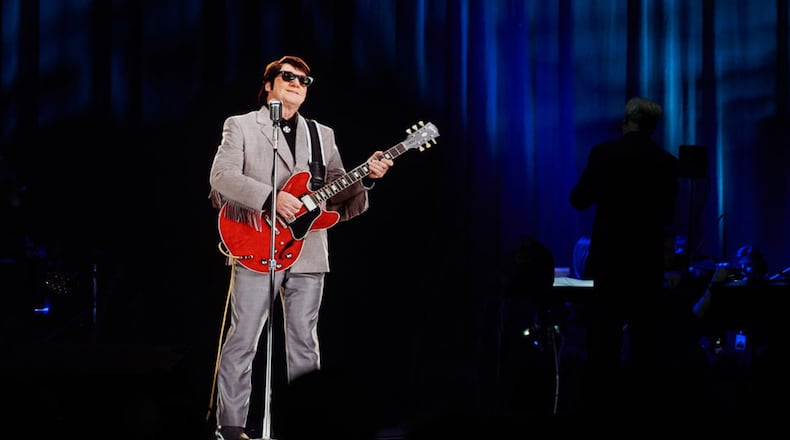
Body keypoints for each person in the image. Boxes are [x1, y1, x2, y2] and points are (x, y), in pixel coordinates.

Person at [208, 55, 393, 440]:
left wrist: (369, 177)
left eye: (305, 80)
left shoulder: (320, 134)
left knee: (305, 345)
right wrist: (271, 198)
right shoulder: (241, 125)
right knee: (243, 339)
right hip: (257, 244)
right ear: (269, 83)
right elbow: (222, 176)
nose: (297, 83)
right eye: (288, 77)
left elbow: (341, 188)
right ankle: (232, 426)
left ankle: (307, 428)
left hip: (308, 250)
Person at [569, 96, 680, 419]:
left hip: (609, 262)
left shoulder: (604, 154)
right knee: (645, 346)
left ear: (625, 121)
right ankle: (640, 412)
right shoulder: (667, 163)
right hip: (645, 265)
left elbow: (579, 200)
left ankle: (598, 411)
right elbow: (668, 216)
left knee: (602, 343)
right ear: (653, 127)